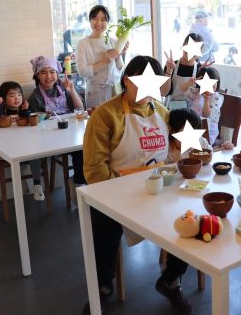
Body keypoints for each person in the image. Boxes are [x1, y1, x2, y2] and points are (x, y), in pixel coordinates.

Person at [82, 56, 193, 315]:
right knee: (103, 222)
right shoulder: (105, 115)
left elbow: (177, 151)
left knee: (188, 218)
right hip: (117, 192)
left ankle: (171, 279)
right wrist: (125, 194)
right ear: (126, 80)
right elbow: (95, 170)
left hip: (160, 189)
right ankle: (103, 285)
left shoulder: (162, 113)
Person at [27, 56, 86, 199]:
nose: (48, 77)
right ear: (37, 75)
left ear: (57, 73)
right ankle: (79, 184)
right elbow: (35, 124)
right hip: (50, 138)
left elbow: (80, 109)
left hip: (70, 133)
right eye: (43, 72)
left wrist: (71, 91)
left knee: (82, 148)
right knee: (78, 150)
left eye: (52, 72)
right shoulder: (35, 97)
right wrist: (44, 117)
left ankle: (81, 184)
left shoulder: (63, 88)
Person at [0, 81, 30, 206]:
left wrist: (26, 110)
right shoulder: (1, 112)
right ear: (4, 99)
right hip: (4, 148)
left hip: (22, 148)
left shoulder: (22, 111)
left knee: (37, 154)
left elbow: (28, 120)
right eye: (12, 95)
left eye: (19, 94)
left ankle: (37, 185)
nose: (17, 98)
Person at [76, 5, 126, 109]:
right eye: (95, 19)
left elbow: (120, 68)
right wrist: (105, 61)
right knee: (97, 118)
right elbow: (82, 71)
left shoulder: (114, 41)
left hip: (115, 91)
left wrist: (120, 54)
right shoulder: (83, 43)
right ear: (90, 21)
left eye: (103, 19)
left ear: (108, 22)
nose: (99, 23)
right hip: (95, 92)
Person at [182, 66, 225, 145]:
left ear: (217, 82)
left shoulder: (217, 97)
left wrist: (206, 100)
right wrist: (189, 83)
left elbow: (206, 115)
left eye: (212, 82)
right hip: (194, 125)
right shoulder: (196, 92)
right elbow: (182, 89)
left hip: (208, 129)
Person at [161, 33, 205, 107]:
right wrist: (169, 71)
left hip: (191, 112)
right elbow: (164, 93)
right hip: (171, 110)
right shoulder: (171, 65)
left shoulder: (201, 71)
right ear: (183, 45)